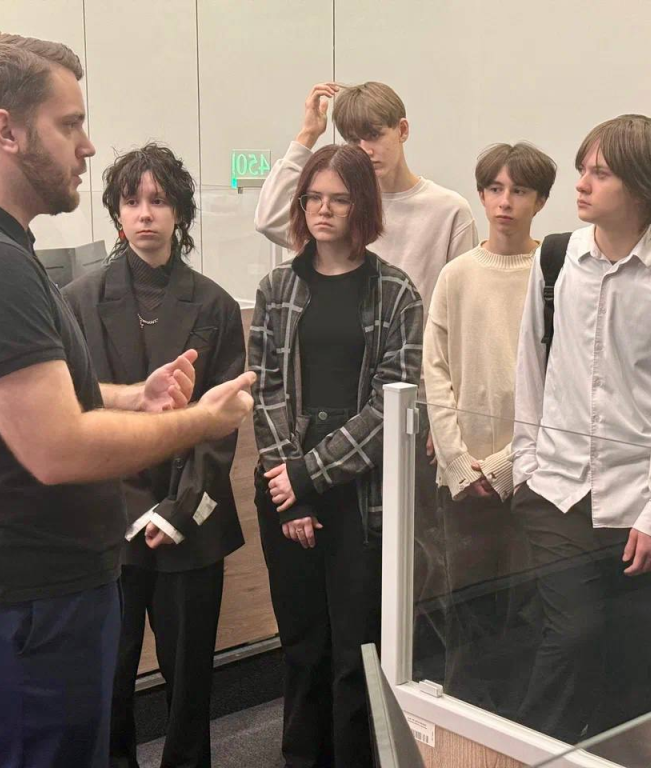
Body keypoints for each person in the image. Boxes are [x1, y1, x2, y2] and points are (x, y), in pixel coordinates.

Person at [0, 33, 254, 768]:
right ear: (6, 130)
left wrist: (135, 397)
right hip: (20, 611)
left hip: (23, 605)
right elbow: (57, 446)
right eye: (69, 124)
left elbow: (28, 397)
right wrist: (199, 420)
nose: (87, 146)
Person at [511, 114, 651, 742]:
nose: (581, 183)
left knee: (634, 666)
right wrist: (525, 466)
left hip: (639, 498)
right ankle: (525, 754)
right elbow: (531, 366)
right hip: (556, 489)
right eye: (583, 169)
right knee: (571, 637)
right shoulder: (554, 258)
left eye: (599, 173)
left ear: (642, 186)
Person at [63, 143, 246, 768]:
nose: (145, 213)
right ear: (117, 212)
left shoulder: (216, 304)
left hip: (188, 517)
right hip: (107, 521)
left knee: (190, 680)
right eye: (132, 201)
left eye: (159, 201)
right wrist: (128, 508)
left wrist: (178, 509)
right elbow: (75, 409)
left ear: (180, 213)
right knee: (107, 677)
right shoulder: (77, 299)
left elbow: (220, 427)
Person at [249, 143, 423, 767]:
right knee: (303, 647)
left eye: (339, 199)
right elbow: (264, 392)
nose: (323, 210)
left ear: (362, 206)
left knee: (355, 650)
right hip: (284, 489)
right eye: (314, 198)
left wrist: (309, 476)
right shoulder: (276, 288)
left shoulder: (396, 292)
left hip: (361, 493)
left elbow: (390, 405)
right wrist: (288, 488)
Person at [423, 141, 555, 715]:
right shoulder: (456, 275)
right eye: (495, 189)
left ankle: (518, 734)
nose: (505, 202)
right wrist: (458, 461)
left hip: (532, 474)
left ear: (540, 200)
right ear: (480, 194)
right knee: (466, 610)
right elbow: (435, 371)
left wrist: (505, 465)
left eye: (519, 191)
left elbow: (563, 380)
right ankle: (466, 732)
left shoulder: (555, 274)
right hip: (461, 477)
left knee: (526, 610)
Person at [254, 81, 476, 315]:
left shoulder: (449, 210)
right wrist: (308, 135)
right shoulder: (341, 205)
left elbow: (463, 304)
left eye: (374, 135)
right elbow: (270, 220)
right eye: (353, 140)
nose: (365, 150)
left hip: (414, 337)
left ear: (402, 130)